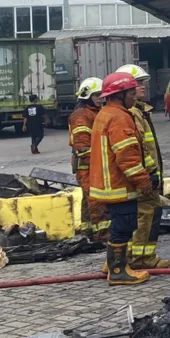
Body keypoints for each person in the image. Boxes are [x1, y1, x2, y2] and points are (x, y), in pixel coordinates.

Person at [89, 72, 156, 286]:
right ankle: (118, 271)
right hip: (119, 186)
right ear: (120, 94)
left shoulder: (106, 113)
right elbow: (127, 156)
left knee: (119, 225)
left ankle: (112, 264)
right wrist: (143, 181)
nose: (135, 96)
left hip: (108, 184)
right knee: (124, 226)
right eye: (131, 92)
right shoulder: (119, 117)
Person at [115, 64, 170, 269]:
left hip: (147, 173)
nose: (143, 87)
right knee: (145, 216)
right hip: (144, 177)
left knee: (149, 216)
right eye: (138, 83)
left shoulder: (139, 110)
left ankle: (143, 256)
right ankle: (141, 259)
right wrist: (149, 174)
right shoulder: (133, 113)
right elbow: (138, 148)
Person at [69, 78, 108, 243]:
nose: (100, 98)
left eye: (101, 94)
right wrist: (100, 161)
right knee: (96, 198)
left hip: (93, 165)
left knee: (88, 199)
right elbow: (82, 146)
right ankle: (102, 233)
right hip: (87, 166)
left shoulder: (95, 112)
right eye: (96, 95)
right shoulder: (81, 115)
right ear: (87, 96)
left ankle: (88, 231)